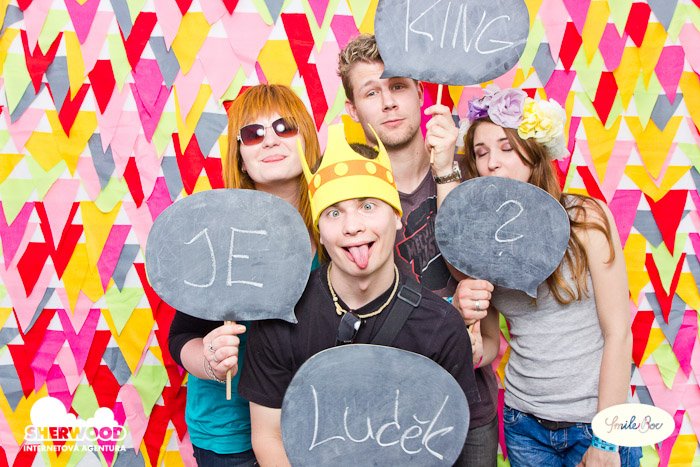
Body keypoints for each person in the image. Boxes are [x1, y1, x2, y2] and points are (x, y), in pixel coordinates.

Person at [238, 124, 478, 466]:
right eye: (334, 212)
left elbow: (449, 443)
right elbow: (268, 435)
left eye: (367, 206)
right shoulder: (282, 318)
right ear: (320, 232)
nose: (352, 226)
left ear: (396, 216)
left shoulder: (441, 327)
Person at [337, 33, 500, 465]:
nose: (389, 102)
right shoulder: (346, 193)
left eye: (398, 86)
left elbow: (481, 273)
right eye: (372, 92)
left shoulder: (473, 174)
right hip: (387, 412)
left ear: (421, 92)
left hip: (470, 404)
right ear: (353, 110)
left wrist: (446, 171)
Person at [458, 86, 641, 466]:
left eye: (507, 148)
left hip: (595, 423)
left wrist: (606, 440)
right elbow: (490, 342)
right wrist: (471, 348)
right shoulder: (482, 242)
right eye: (481, 152)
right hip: (525, 424)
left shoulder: (585, 218)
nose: (493, 163)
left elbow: (619, 332)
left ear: (533, 152)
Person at [168, 84, 321, 466]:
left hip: (314, 424)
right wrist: (208, 360)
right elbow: (181, 335)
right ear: (239, 157)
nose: (270, 139)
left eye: (284, 127)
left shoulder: (336, 224)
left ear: (306, 138)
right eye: (253, 133)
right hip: (229, 432)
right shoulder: (216, 234)